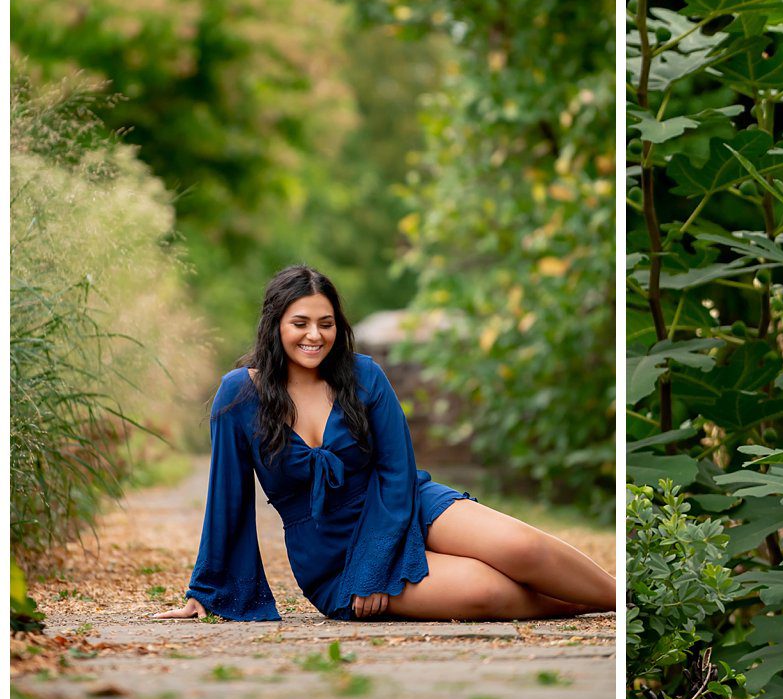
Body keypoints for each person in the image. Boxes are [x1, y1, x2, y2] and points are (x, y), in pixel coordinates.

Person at [155, 265, 614, 623]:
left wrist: (376, 564)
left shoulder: (363, 375)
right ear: (275, 325)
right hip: (332, 554)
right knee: (485, 591)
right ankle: (584, 604)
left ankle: (624, 596)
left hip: (402, 504)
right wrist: (207, 590)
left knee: (521, 549)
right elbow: (226, 498)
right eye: (300, 323)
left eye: (326, 323)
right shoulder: (239, 395)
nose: (314, 335)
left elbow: (397, 470)